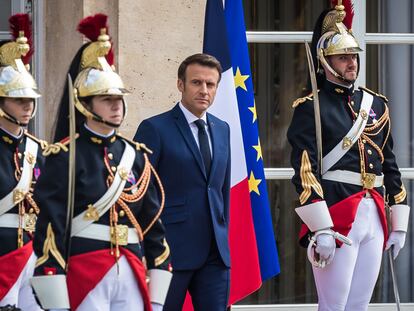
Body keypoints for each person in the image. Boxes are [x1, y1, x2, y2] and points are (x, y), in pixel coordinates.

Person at [30, 14, 171, 311]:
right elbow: (51, 228)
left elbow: (153, 226)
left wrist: (158, 293)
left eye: (118, 99)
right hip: (85, 270)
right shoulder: (65, 157)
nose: (116, 105)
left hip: (131, 268)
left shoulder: (136, 156)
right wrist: (55, 294)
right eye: (106, 99)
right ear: (85, 104)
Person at [287, 2, 410, 310]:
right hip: (337, 213)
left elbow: (389, 163)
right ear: (326, 62)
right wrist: (322, 227)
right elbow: (305, 171)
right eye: (343, 57)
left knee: (359, 304)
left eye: (353, 56)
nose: (351, 63)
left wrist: (399, 221)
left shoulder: (376, 104)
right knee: (334, 305)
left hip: (375, 215)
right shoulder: (310, 108)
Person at [134, 53, 231, 311]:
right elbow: (140, 193)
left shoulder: (222, 129)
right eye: (196, 82)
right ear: (180, 85)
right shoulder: (154, 129)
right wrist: (145, 250)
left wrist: (224, 236)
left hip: (215, 254)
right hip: (169, 251)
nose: (204, 90)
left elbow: (220, 191)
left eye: (210, 85)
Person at [0, 13, 46, 311]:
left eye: (31, 101)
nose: (28, 106)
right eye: (20, 100)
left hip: (33, 248)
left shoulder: (38, 149)